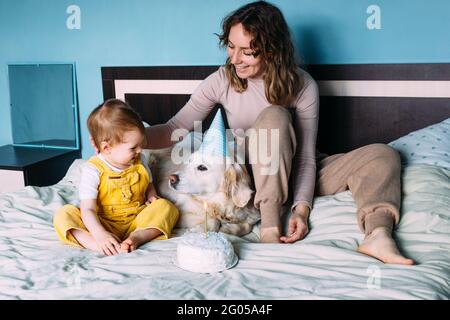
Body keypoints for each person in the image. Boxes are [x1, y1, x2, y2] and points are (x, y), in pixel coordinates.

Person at [144, 1, 413, 265]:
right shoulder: (222, 80)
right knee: (275, 115)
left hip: (296, 171)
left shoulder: (303, 85)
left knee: (384, 154)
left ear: (272, 51)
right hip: (250, 176)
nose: (234, 59)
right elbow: (172, 129)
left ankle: (378, 234)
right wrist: (133, 135)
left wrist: (302, 208)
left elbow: (306, 156)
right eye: (231, 46)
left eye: (247, 51)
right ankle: (270, 230)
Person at [54, 99, 179, 256]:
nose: (140, 150)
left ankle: (136, 238)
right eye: (133, 147)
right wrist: (100, 234)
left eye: (141, 144)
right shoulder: (93, 170)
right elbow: (88, 209)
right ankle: (97, 244)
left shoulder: (140, 161)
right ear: (107, 148)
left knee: (167, 208)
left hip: (136, 220)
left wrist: (152, 195)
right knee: (63, 215)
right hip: (103, 222)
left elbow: (148, 183)